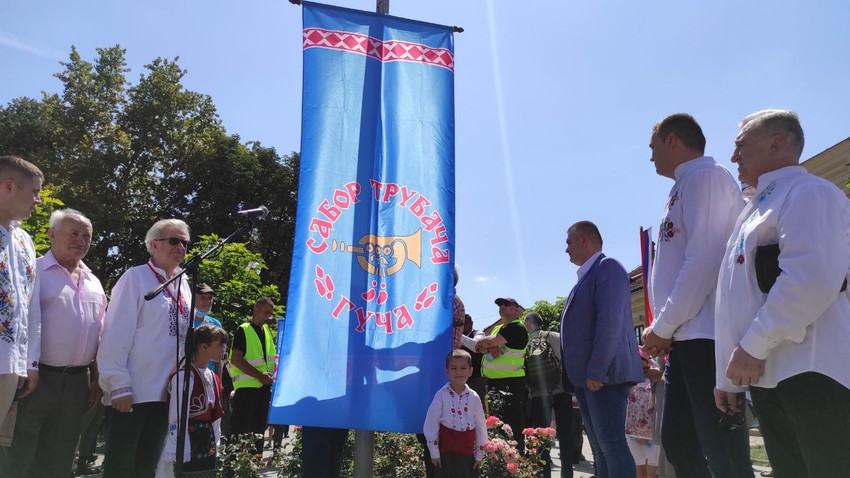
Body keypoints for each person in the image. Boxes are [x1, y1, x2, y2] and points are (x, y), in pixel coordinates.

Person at [715, 109, 850, 477]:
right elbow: (734, 299)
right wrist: (727, 377)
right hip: (767, 373)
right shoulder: (754, 210)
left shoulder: (810, 193)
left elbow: (810, 279)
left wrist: (752, 347)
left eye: (740, 145)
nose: (734, 156)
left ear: (775, 142)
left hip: (812, 371)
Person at [641, 113, 752, 477]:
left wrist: (663, 326)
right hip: (685, 339)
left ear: (672, 140)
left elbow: (704, 259)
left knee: (723, 452)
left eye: (653, 146)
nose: (650, 155)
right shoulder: (685, 184)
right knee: (679, 443)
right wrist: (667, 330)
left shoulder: (706, 176)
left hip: (706, 337)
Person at [0, 209, 107, 477]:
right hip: (34, 378)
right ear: (52, 234)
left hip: (77, 382)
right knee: (19, 452)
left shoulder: (94, 282)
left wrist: (96, 376)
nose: (81, 240)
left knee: (61, 454)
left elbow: (99, 332)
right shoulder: (32, 270)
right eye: (74, 233)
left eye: (86, 236)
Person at [97, 218, 192, 477]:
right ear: (153, 245)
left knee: (147, 465)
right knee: (121, 465)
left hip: (167, 393)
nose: (181, 247)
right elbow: (115, 334)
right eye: (174, 240)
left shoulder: (183, 283)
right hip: (135, 391)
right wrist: (118, 385)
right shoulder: (135, 277)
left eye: (185, 242)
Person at [560, 220, 644, 478]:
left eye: (569, 242)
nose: (566, 249)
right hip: (589, 379)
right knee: (600, 447)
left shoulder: (607, 267)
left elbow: (610, 322)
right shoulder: (587, 275)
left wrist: (597, 369)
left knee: (611, 445)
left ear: (584, 240)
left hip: (603, 377)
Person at [0, 156, 42, 436]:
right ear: (9, 186)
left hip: (9, 364)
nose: (37, 200)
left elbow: (29, 307)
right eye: (34, 192)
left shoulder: (24, 240)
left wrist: (27, 363)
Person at [161, 324, 226, 478]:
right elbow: (175, 416)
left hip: (207, 439)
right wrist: (180, 447)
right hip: (188, 440)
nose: (224, 349)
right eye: (220, 345)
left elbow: (215, 416)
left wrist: (216, 441)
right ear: (203, 347)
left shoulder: (214, 377)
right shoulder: (184, 377)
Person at [524, 311, 574, 478]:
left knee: (540, 437)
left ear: (528, 324)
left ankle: (543, 474)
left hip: (538, 394)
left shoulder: (526, 342)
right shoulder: (557, 337)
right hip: (561, 391)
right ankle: (567, 473)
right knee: (565, 435)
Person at [475, 297, 528, 453]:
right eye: (500, 304)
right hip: (494, 383)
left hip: (511, 382)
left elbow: (485, 343)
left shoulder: (516, 327)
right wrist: (488, 345)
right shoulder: (499, 329)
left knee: (512, 423)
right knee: (497, 422)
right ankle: (499, 456)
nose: (502, 307)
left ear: (517, 310)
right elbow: (481, 347)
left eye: (506, 304)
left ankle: (517, 457)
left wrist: (487, 343)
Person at [423, 349, 487, 478]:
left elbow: (481, 427)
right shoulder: (441, 395)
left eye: (463, 368)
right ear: (447, 372)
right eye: (454, 368)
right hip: (445, 455)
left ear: (470, 371)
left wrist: (479, 454)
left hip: (467, 455)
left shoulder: (474, 397)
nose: (458, 372)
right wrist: (434, 453)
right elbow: (431, 424)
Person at [228, 297, 276, 457]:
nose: (268, 317)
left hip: (263, 389)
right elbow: (235, 359)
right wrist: (260, 376)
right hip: (246, 390)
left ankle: (253, 466)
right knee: (240, 434)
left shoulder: (267, 331)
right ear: (256, 309)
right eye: (266, 312)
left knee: (258, 435)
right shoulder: (244, 329)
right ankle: (232, 467)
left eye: (270, 314)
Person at [625, 353, 663, 478]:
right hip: (634, 432)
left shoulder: (655, 376)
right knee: (640, 468)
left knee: (650, 469)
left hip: (650, 432)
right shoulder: (630, 379)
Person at [193, 283, 223, 377]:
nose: (207, 301)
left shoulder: (215, 324)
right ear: (192, 299)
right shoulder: (185, 323)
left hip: (210, 377)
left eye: (209, 298)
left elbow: (219, 359)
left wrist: (218, 381)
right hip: (191, 376)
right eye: (203, 297)